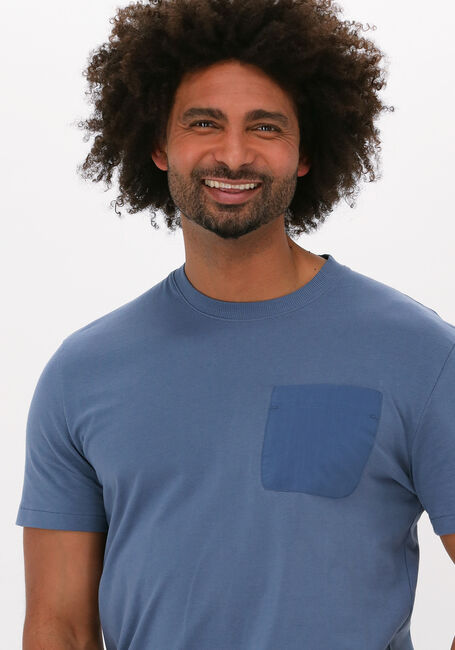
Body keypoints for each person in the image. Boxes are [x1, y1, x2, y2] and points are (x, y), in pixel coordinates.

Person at [16, 0, 455, 648]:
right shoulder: (81, 374)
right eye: (204, 123)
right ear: (158, 145)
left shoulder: (419, 355)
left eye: (265, 127)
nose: (233, 154)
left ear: (305, 152)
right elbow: (61, 627)